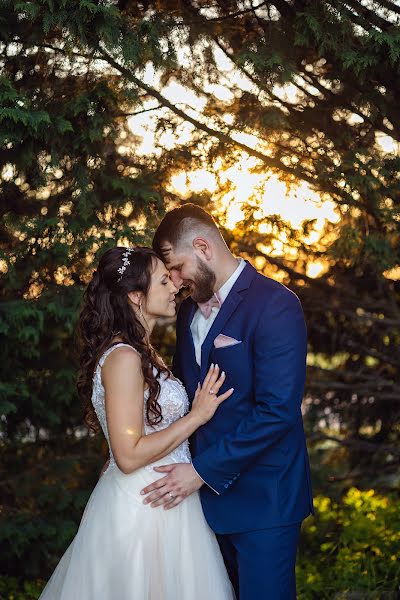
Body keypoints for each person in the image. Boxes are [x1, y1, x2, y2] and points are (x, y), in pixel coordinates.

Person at [38, 246, 235, 600]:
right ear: (135, 296)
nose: (175, 286)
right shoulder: (125, 357)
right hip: (145, 508)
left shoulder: (143, 353)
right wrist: (197, 416)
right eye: (163, 280)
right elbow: (128, 455)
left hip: (165, 499)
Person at [141, 204, 314, 600]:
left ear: (203, 246)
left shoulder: (275, 304)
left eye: (178, 267)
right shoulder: (187, 314)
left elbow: (277, 411)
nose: (176, 280)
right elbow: (187, 401)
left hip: (265, 502)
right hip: (201, 504)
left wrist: (201, 471)